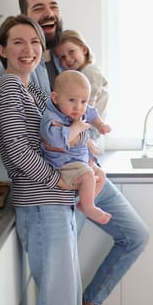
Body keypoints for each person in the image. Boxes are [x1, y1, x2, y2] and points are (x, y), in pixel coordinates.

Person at [0, 0, 149, 305]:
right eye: (38, 9)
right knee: (58, 288)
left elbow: (79, 117)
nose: (48, 13)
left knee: (133, 237)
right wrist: (61, 179)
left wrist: (90, 154)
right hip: (54, 186)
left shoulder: (69, 62)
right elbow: (23, 143)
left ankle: (88, 303)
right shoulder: (18, 75)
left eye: (53, 5)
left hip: (78, 175)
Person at [0, 14, 82, 305]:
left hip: (54, 201)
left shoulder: (34, 91)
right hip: (42, 202)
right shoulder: (9, 86)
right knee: (59, 301)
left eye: (34, 42)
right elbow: (17, 150)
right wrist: (59, 180)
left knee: (65, 296)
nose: (27, 49)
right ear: (2, 50)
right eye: (17, 42)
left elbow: (62, 129)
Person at [40, 69, 111, 224]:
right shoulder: (51, 118)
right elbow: (56, 141)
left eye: (83, 101)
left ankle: (85, 204)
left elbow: (92, 113)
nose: (78, 107)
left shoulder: (79, 111)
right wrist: (76, 128)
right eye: (72, 100)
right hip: (63, 165)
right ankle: (90, 207)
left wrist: (100, 125)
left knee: (101, 175)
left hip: (79, 162)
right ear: (56, 98)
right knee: (87, 176)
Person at [54, 29, 109, 120]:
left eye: (71, 51)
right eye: (62, 57)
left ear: (84, 49)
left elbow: (88, 106)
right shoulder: (79, 74)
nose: (68, 59)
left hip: (91, 128)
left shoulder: (89, 72)